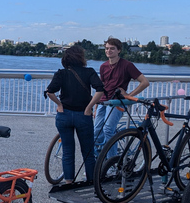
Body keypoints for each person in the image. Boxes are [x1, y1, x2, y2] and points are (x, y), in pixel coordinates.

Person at [45, 45, 105, 183]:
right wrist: (89, 107)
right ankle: (91, 183)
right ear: (81, 57)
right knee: (88, 152)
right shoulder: (89, 72)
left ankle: (69, 183)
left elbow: (49, 91)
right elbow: (100, 89)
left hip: (64, 115)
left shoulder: (61, 73)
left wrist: (59, 105)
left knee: (67, 152)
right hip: (83, 116)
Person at [94, 37, 149, 158]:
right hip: (103, 101)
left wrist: (129, 96)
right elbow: (102, 87)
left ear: (119, 50)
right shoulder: (103, 66)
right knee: (96, 132)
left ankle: (111, 163)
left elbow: (144, 82)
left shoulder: (127, 65)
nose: (109, 51)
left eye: (112, 48)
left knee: (108, 129)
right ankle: (98, 162)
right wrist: (96, 105)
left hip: (117, 101)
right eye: (107, 48)